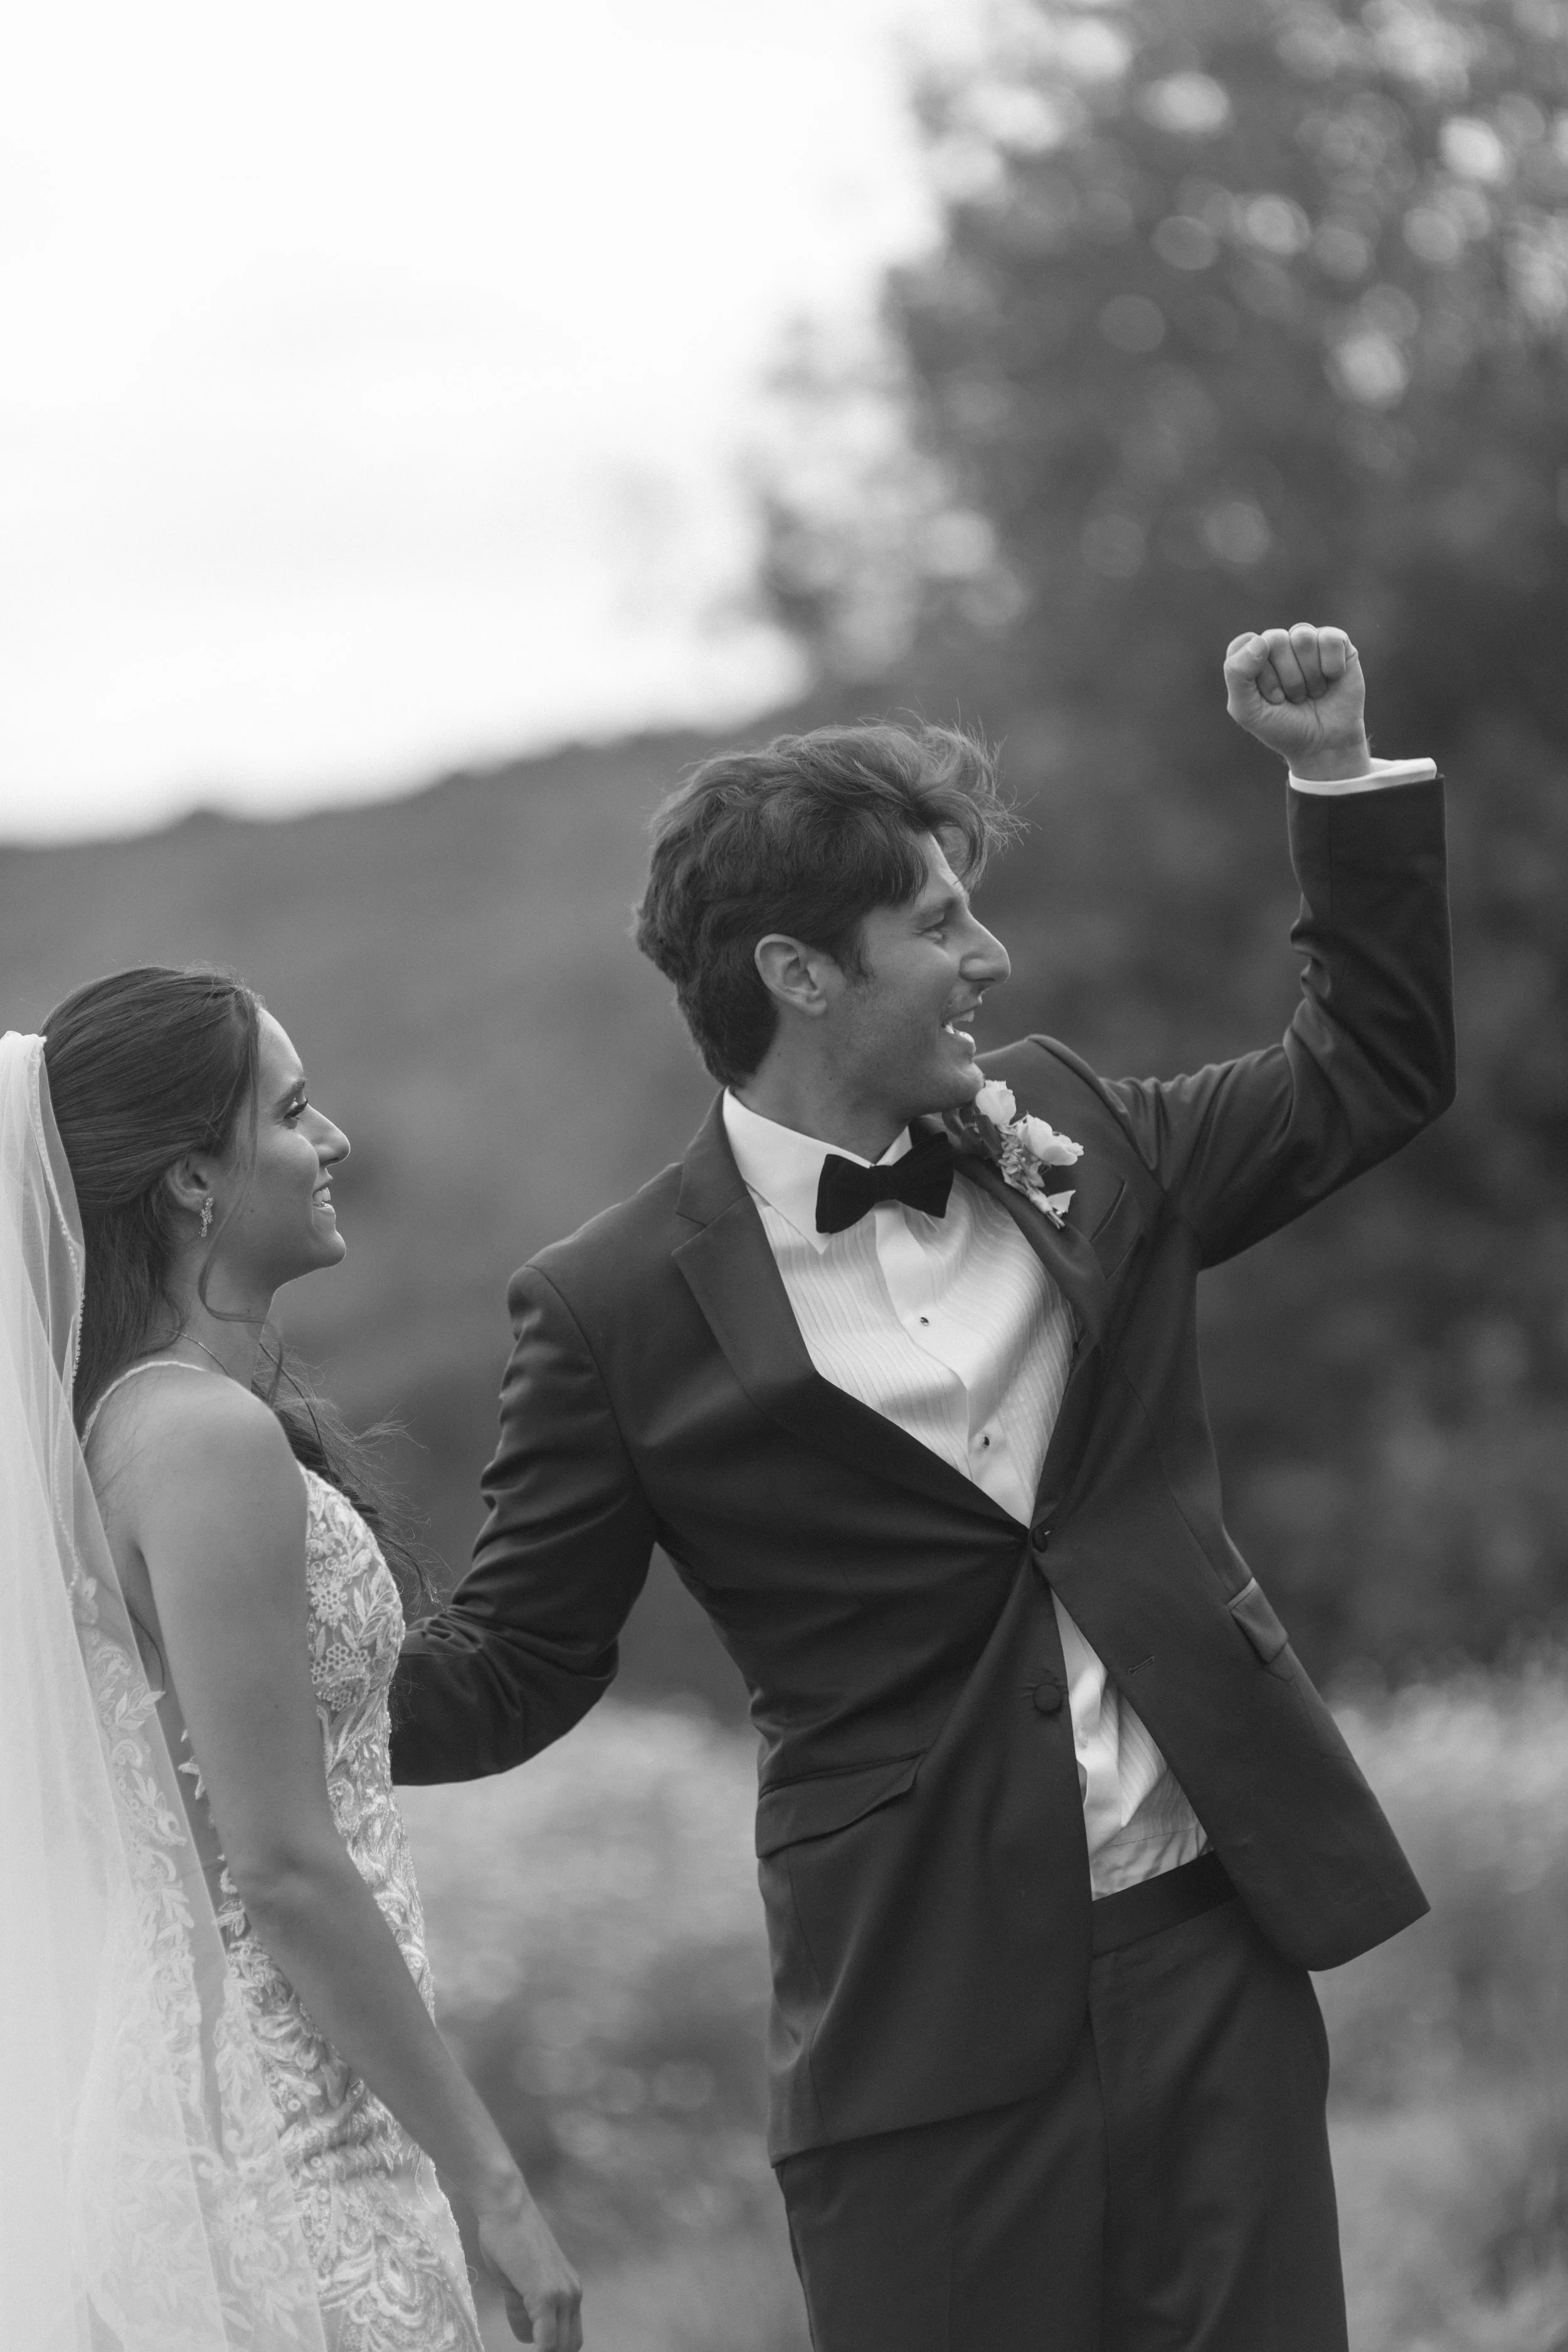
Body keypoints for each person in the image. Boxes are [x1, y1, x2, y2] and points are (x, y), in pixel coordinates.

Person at [391, 624, 1454, 2351]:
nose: (988, 955)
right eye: (939, 922)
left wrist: (1331, 777)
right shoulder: (608, 1309)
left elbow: (1367, 1074)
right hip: (916, 2018)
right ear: (799, 972)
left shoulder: (1073, 1125)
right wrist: (248, 1694)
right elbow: (517, 1661)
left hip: (1210, 1941)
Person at [0, 970, 581, 2352]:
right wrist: (490, 2179)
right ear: (194, 1180)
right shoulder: (200, 1442)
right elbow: (280, 1862)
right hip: (285, 2140)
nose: (333, 1143)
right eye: (292, 1111)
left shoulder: (120, 1436)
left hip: (237, 2107)